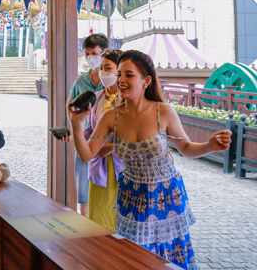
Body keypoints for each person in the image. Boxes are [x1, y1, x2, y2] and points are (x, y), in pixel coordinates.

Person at [68, 50, 231, 270]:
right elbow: (88, 154)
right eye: (119, 75)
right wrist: (75, 125)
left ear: (146, 81)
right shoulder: (110, 117)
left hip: (166, 195)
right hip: (131, 196)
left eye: (129, 75)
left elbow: (186, 148)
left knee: (169, 257)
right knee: (133, 257)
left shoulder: (163, 111)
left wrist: (210, 146)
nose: (121, 80)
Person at [66, 49, 124, 232]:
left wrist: (111, 147)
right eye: (101, 68)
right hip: (98, 166)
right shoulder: (98, 97)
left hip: (122, 167)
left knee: (119, 218)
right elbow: (91, 129)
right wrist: (76, 135)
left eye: (108, 67)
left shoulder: (128, 100)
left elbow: (136, 135)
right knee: (98, 219)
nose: (103, 72)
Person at [67, 33, 108, 217]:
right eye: (87, 54)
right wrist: (75, 128)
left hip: (107, 142)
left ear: (104, 52)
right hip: (86, 139)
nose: (90, 57)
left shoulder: (113, 81)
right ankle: (84, 224)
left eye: (94, 53)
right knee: (83, 190)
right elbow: (70, 105)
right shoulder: (81, 81)